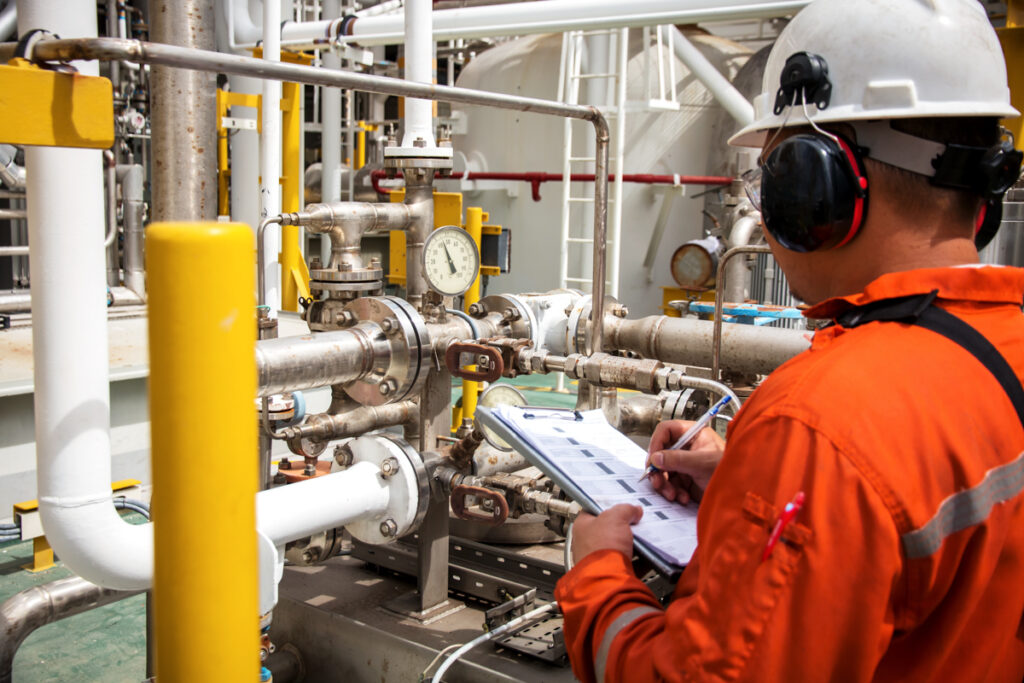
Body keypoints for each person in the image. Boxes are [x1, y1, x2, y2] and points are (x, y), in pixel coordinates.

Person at [554, 0, 1024, 680]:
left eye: (770, 176)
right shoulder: (1000, 342)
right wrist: (749, 482)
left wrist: (595, 571)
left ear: (814, 186)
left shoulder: (818, 424)